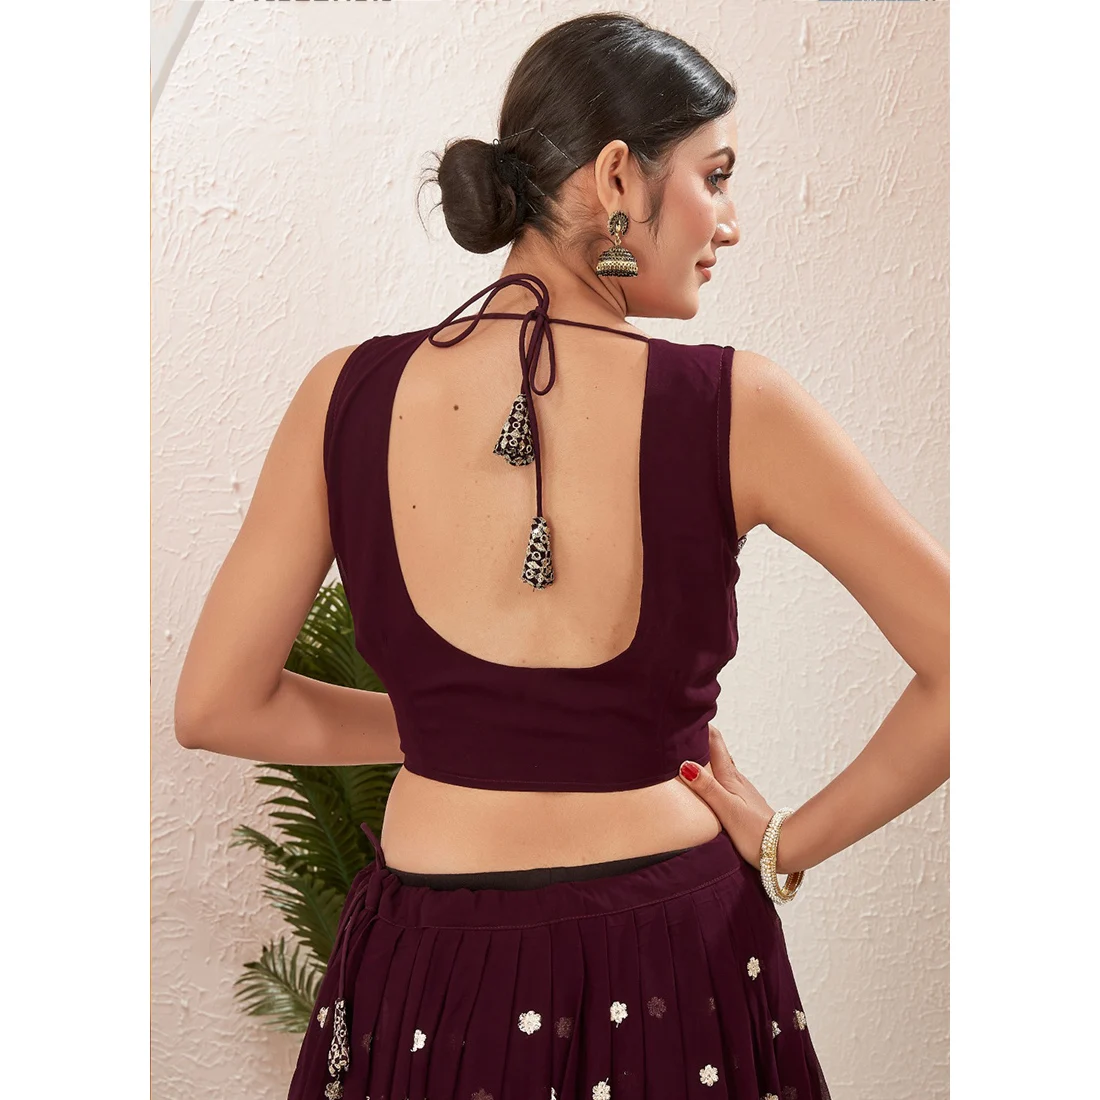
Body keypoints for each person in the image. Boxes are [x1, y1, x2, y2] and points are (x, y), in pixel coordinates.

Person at [173, 12, 948, 1100]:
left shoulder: (342, 394)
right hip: (672, 959)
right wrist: (787, 842)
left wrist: (455, 725)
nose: (729, 222)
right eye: (715, 176)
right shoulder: (739, 406)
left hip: (427, 974)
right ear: (619, 176)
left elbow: (218, 703)